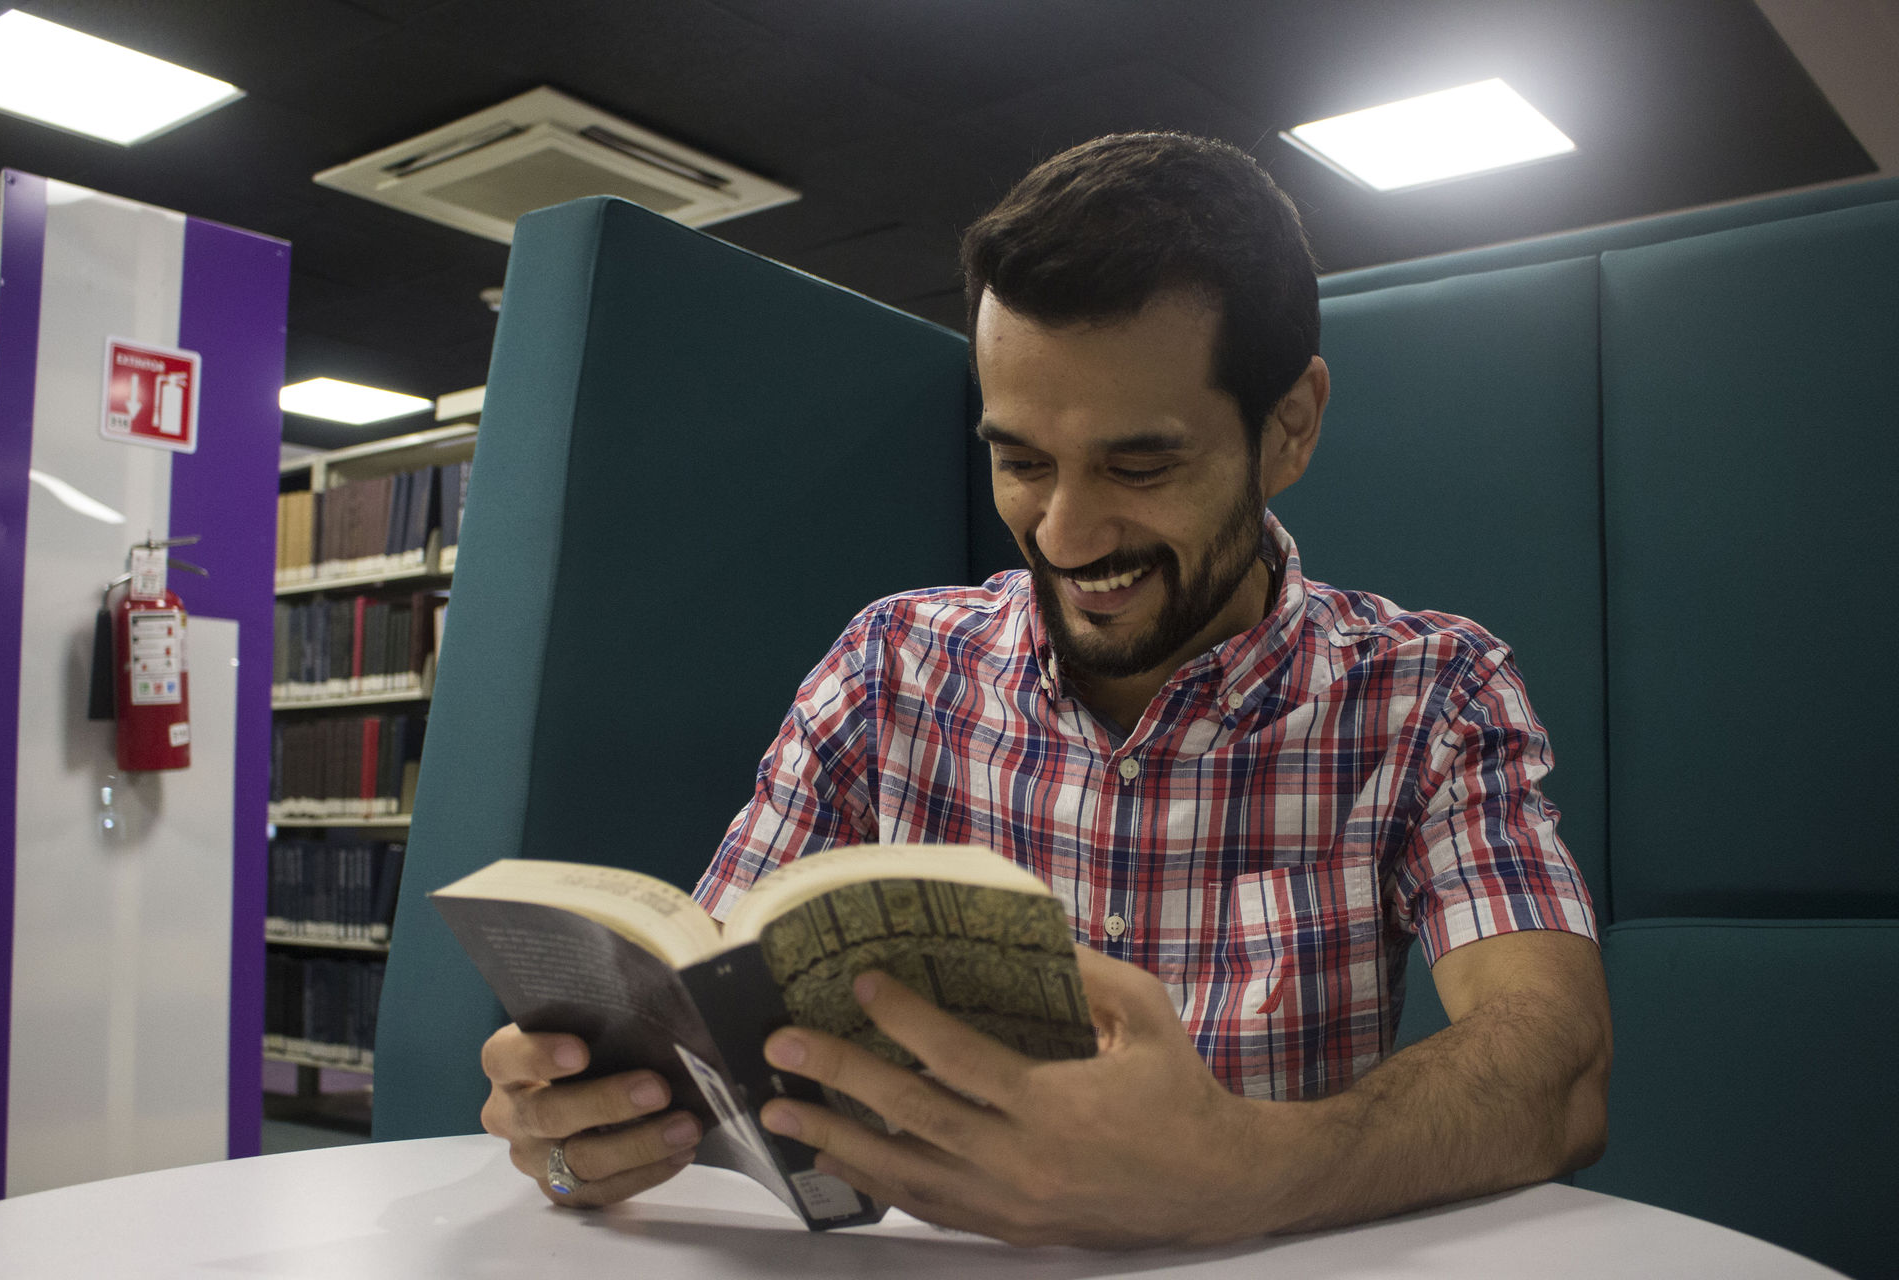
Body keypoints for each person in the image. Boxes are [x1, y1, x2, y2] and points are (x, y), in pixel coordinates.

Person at [480, 132, 1611, 1248]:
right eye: (1021, 459)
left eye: (1140, 465)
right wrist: (587, 1117)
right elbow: (706, 1000)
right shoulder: (888, 667)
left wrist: (1246, 1172)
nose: (1065, 535)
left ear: (1291, 425)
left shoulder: (1433, 692)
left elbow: (1553, 1065)